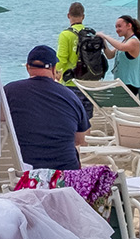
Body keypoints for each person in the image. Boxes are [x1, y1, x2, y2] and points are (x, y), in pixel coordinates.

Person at [6, 42, 94, 172]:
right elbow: (81, 139)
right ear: (53, 69)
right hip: (64, 176)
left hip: (25, 175)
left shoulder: (8, 91)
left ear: (27, 67)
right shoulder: (70, 96)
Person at [109, 15, 140, 96]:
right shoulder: (125, 41)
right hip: (121, 83)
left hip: (131, 84)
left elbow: (121, 47)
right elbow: (110, 55)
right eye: (116, 27)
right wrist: (102, 42)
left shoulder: (133, 41)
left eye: (119, 26)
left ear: (129, 26)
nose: (117, 30)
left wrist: (106, 36)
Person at [53, 2, 88, 78]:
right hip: (89, 79)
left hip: (71, 79)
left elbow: (62, 59)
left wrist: (54, 71)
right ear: (83, 16)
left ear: (68, 15)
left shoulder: (65, 35)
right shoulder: (90, 34)